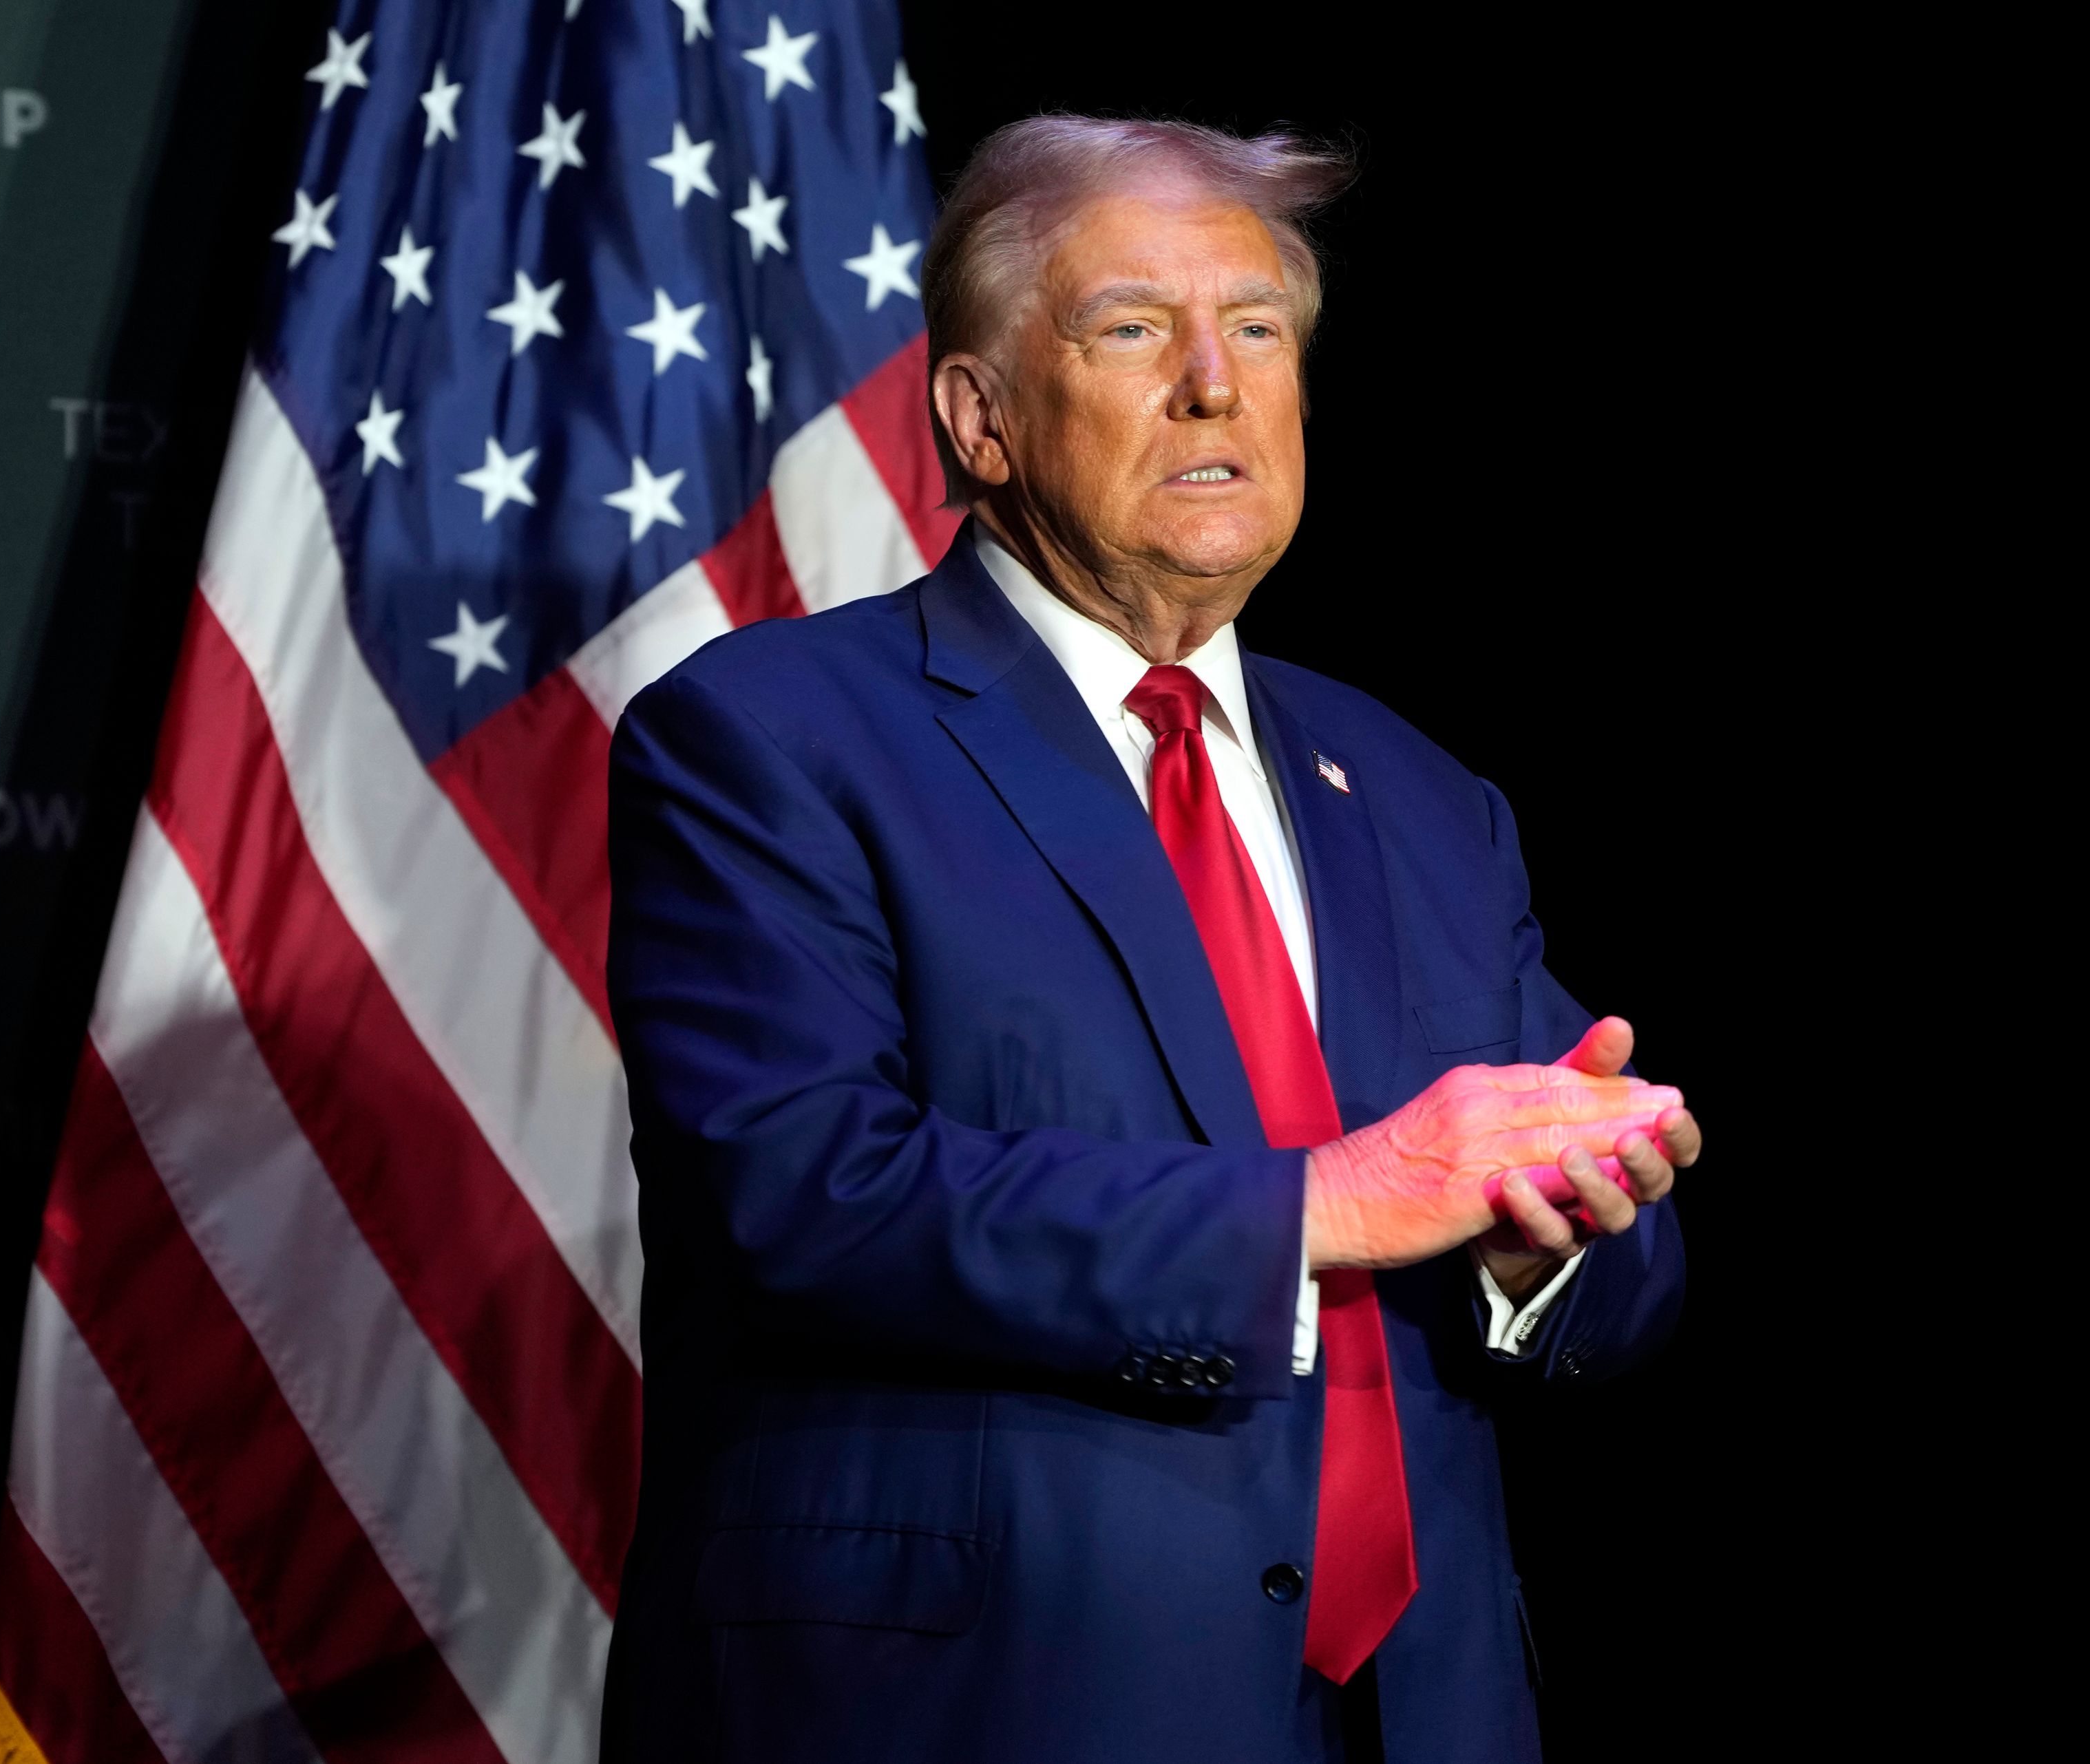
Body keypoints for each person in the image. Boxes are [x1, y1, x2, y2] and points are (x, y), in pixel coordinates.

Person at [600, 116, 1700, 1764]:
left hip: (1423, 1715)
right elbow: (806, 1195)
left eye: (1257, 328)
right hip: (988, 1709)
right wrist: (1331, 1203)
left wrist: (1542, 1238)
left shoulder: (1421, 796)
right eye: (1133, 329)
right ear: (979, 416)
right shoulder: (769, 739)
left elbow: (1622, 1283)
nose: (1215, 384)